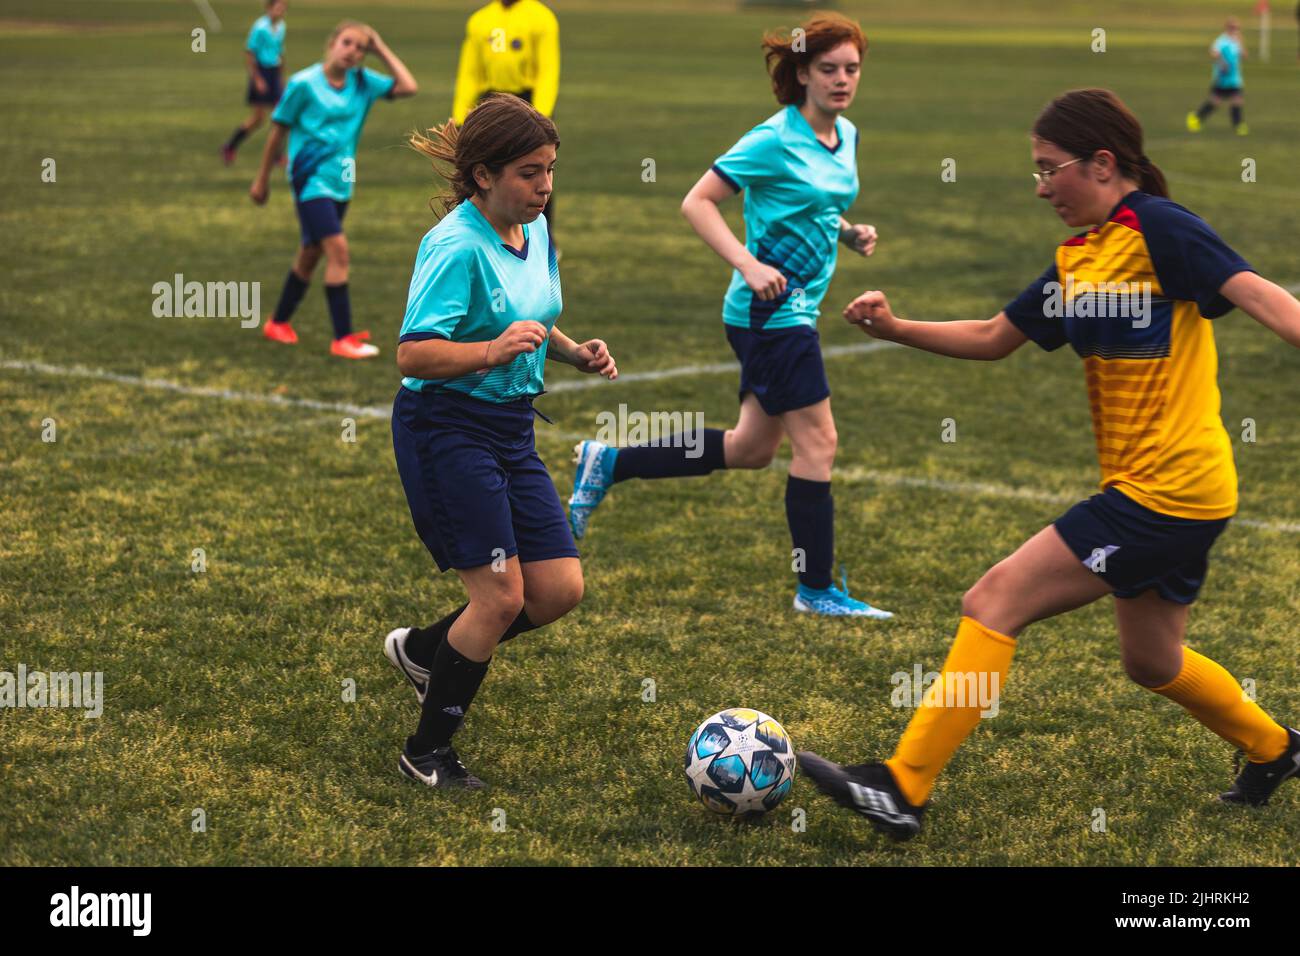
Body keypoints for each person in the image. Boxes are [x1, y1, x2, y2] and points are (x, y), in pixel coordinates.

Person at [799, 88, 1300, 840]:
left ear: (1102, 163)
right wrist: (896, 328)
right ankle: (1275, 749)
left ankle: (902, 786)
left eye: (1048, 169)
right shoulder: (1080, 255)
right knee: (1154, 661)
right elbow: (996, 335)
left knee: (993, 601)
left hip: (1167, 491)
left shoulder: (1160, 229)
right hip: (1178, 493)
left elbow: (1265, 298)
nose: (1039, 188)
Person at [566, 13, 891, 618]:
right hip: (771, 313)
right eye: (828, 69)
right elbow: (698, 201)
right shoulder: (772, 138)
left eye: (851, 68)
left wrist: (848, 231)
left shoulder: (845, 136)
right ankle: (816, 590)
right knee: (819, 442)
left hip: (796, 311)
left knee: (750, 449)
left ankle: (608, 461)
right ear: (801, 73)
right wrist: (747, 264)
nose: (842, 80)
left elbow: (812, 203)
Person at [386, 94, 617, 788]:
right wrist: (488, 352)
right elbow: (413, 354)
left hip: (511, 427)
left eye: (549, 171)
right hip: (447, 429)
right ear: (483, 175)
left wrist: (572, 352)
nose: (544, 187)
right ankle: (425, 754)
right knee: (498, 597)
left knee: (557, 590)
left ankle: (427, 652)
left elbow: (533, 317)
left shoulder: (534, 227)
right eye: (528, 172)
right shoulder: (455, 246)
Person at [249, 21, 417, 359]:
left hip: (342, 181)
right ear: (332, 44)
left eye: (360, 47)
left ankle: (278, 322)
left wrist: (380, 46)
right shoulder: (303, 84)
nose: (353, 51)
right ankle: (343, 339)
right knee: (338, 251)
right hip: (309, 179)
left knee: (311, 255)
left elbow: (409, 86)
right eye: (347, 43)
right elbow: (277, 133)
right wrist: (262, 179)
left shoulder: (362, 82)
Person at [452, 0, 560, 238]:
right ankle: (484, 233)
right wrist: (461, 115)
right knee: (485, 174)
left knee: (535, 174)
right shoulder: (480, 20)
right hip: (491, 102)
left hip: (528, 102)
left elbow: (547, 71)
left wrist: (539, 118)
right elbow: (470, 72)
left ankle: (543, 239)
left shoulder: (541, 17)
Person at [222, 0, 288, 165]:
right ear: (269, 8)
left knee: (281, 117)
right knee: (258, 119)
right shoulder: (259, 27)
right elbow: (250, 53)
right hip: (261, 71)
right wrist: (257, 79)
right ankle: (230, 145)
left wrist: (281, 79)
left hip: (274, 73)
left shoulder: (281, 27)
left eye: (283, 8)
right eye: (277, 8)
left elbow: (280, 53)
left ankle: (277, 155)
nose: (280, 11)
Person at [1187, 17, 1248, 135]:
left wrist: (1241, 44)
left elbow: (1244, 56)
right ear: (1227, 28)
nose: (1235, 30)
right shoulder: (1221, 41)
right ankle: (1196, 118)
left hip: (1235, 79)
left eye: (1237, 28)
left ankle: (1238, 125)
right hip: (1222, 78)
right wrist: (1222, 62)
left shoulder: (1236, 41)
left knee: (1237, 101)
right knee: (1215, 101)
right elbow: (1213, 53)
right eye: (1233, 28)